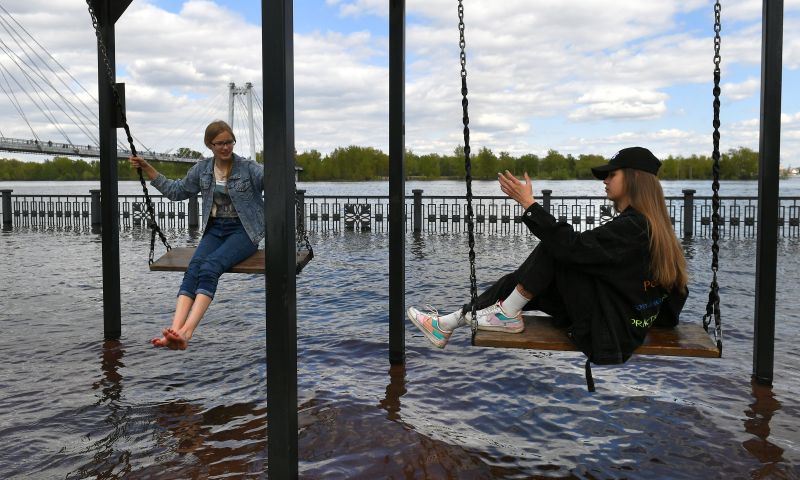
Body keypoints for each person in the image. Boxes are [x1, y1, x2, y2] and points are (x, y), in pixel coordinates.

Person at [407, 146, 689, 369]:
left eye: (611, 174)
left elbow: (571, 247)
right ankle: (449, 323)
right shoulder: (654, 227)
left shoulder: (634, 226)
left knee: (556, 249)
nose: (604, 180)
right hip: (621, 321)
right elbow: (675, 295)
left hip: (609, 333)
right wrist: (650, 318)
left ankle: (500, 315)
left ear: (633, 179)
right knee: (524, 282)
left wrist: (529, 205)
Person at [129, 120, 264, 350]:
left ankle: (186, 333)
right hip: (215, 229)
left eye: (229, 142)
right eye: (220, 143)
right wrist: (147, 168)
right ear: (209, 145)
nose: (225, 147)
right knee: (194, 267)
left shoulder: (248, 168)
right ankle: (174, 331)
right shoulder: (202, 169)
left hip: (244, 231)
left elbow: (273, 181)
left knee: (211, 266)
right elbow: (176, 191)